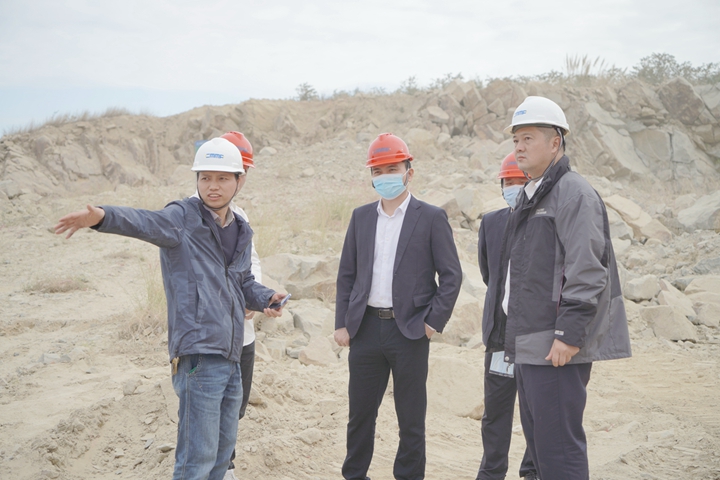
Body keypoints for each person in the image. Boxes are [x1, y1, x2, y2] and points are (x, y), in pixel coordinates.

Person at [54, 137, 288, 480]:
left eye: (222, 178)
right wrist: (102, 216)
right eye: (205, 177)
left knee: (221, 456)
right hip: (199, 356)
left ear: (239, 180)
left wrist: (266, 297)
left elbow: (241, 281)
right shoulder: (181, 218)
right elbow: (144, 222)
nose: (212, 186)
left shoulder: (240, 229)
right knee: (196, 460)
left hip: (232, 354)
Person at [498, 96, 631, 480]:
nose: (519, 147)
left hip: (555, 346)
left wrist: (568, 334)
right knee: (540, 449)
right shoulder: (534, 193)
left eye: (528, 138)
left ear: (555, 142)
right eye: (516, 140)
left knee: (559, 451)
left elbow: (587, 270)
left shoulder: (573, 194)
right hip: (530, 342)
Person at [334, 133, 463, 480]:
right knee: (360, 415)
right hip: (365, 329)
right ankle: (355, 475)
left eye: (393, 169)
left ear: (409, 172)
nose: (385, 176)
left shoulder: (431, 217)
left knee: (411, 418)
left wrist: (431, 323)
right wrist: (342, 323)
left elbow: (452, 276)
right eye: (378, 171)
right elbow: (347, 274)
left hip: (410, 331)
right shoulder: (361, 217)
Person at [475, 152, 538, 480]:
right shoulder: (491, 222)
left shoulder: (545, 219)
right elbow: (490, 275)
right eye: (507, 181)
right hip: (499, 336)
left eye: (519, 180)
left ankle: (533, 471)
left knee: (536, 412)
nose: (513, 187)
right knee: (495, 413)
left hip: (534, 337)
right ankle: (491, 473)